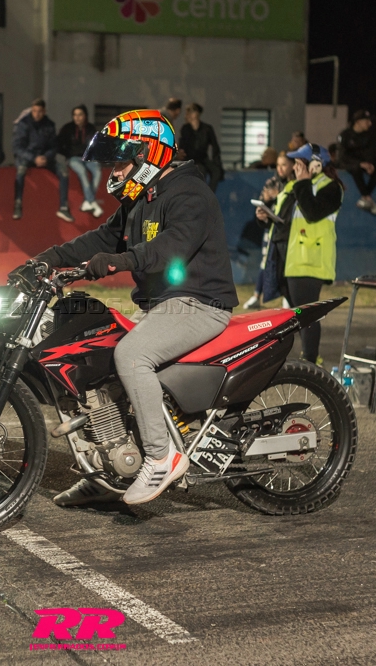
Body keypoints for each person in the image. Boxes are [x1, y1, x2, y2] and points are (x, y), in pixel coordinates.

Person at [17, 109, 236, 507]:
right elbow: (102, 238)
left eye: (120, 162)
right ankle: (106, 473)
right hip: (161, 306)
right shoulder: (143, 197)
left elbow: (171, 248)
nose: (114, 172)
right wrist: (47, 259)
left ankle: (161, 457)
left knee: (132, 356)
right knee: (92, 362)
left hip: (199, 303)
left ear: (148, 155)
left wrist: (119, 261)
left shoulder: (190, 193)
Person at [281, 143, 343, 364]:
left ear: (316, 165)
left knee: (306, 315)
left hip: (312, 260)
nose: (295, 166)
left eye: (300, 162)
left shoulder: (331, 188)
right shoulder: (298, 185)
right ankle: (309, 357)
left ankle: (310, 360)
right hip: (294, 258)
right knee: (300, 315)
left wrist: (303, 183)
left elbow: (313, 212)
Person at [243, 152, 293, 309]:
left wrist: (277, 197)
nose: (280, 168)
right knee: (266, 261)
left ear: (293, 166)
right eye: (278, 165)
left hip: (290, 232)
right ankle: (256, 295)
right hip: (272, 230)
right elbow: (262, 205)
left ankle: (287, 297)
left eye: (284, 165)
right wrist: (265, 203)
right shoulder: (272, 182)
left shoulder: (295, 184)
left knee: (286, 264)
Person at [10, 98, 70, 221]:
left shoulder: (49, 125)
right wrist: (33, 158)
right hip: (28, 156)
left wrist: (46, 157)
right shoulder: (23, 124)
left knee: (63, 172)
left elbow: (54, 146)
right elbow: (17, 147)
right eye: (34, 111)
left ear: (44, 111)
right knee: (20, 171)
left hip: (44, 157)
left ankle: (64, 207)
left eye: (39, 111)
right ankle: (17, 204)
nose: (36, 114)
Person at [56, 105, 104, 217]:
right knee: (82, 171)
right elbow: (58, 144)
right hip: (73, 158)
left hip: (88, 158)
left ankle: (88, 201)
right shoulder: (67, 128)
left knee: (97, 171)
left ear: (85, 116)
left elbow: (96, 144)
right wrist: (68, 154)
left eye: (80, 115)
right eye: (75, 115)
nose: (77, 117)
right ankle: (91, 201)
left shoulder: (91, 128)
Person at [336, 111, 376, 214]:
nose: (369, 123)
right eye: (366, 121)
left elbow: (372, 153)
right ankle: (367, 197)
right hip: (348, 163)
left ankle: (365, 197)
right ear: (358, 122)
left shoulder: (369, 136)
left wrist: (370, 164)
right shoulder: (345, 135)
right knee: (355, 169)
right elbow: (342, 156)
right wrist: (359, 163)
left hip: (364, 164)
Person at [179, 103, 224, 192]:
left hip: (203, 158)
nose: (188, 115)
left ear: (197, 113)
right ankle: (200, 193)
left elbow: (215, 147)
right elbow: (184, 145)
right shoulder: (185, 128)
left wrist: (217, 162)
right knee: (200, 170)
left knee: (216, 172)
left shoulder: (207, 128)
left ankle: (209, 193)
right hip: (190, 158)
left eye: (191, 112)